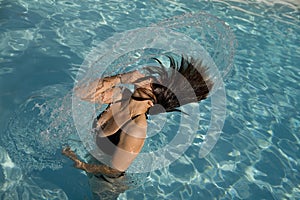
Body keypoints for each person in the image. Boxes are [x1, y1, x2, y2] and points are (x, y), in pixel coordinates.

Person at [62, 55, 213, 184]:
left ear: (150, 102)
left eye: (152, 84)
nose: (147, 79)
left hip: (106, 183)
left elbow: (114, 171)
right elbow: (79, 93)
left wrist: (83, 166)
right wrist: (120, 78)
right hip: (94, 159)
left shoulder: (136, 128)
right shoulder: (121, 96)